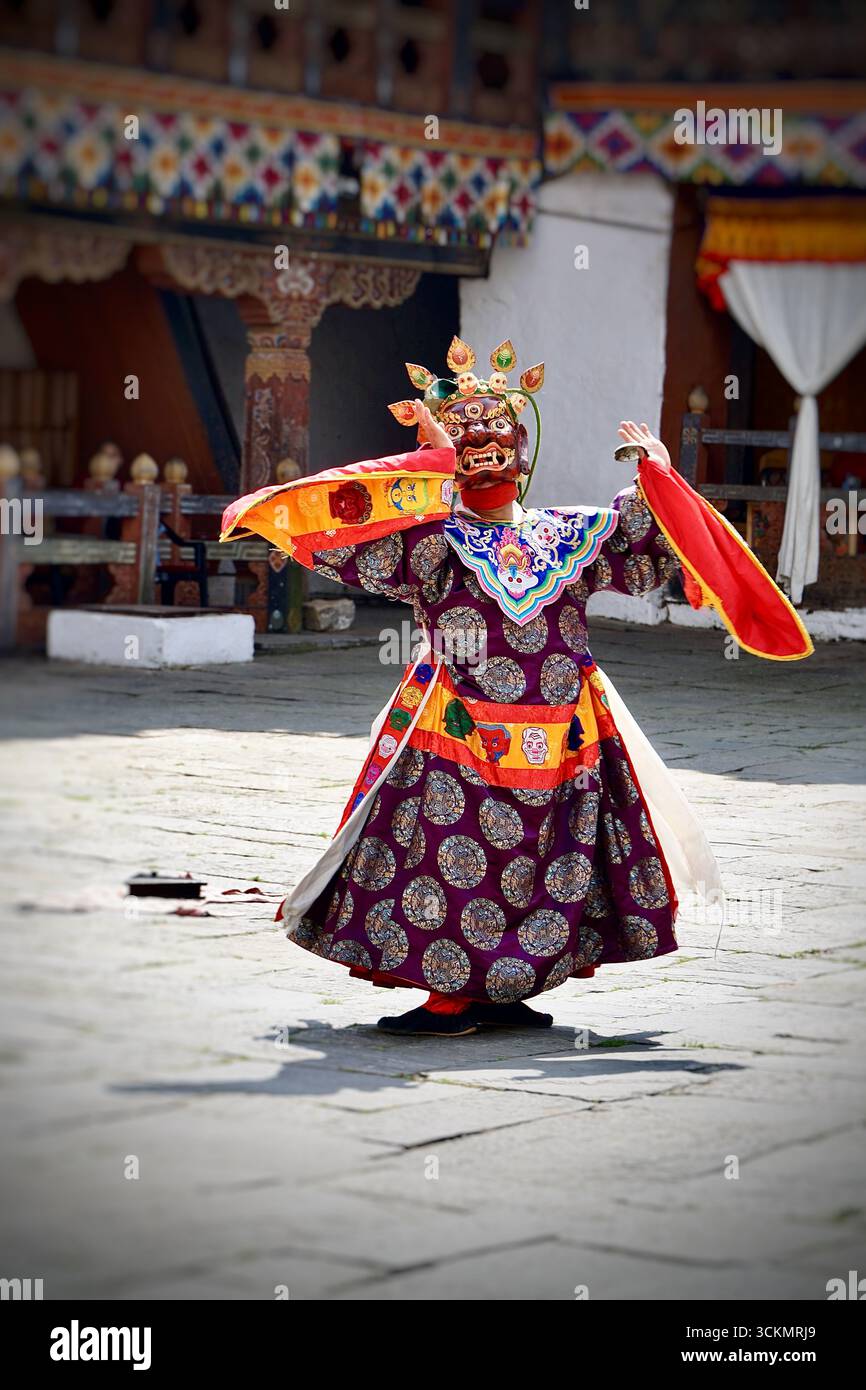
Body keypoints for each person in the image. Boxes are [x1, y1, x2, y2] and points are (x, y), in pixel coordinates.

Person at [221, 337, 812, 1037]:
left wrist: (657, 474)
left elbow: (644, 546)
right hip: (481, 728)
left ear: (522, 453)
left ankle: (489, 996)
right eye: (468, 438)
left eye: (495, 435)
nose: (483, 447)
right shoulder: (451, 540)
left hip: (541, 733)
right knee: (467, 855)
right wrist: (429, 463)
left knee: (515, 858)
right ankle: (468, 996)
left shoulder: (549, 536)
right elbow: (363, 532)